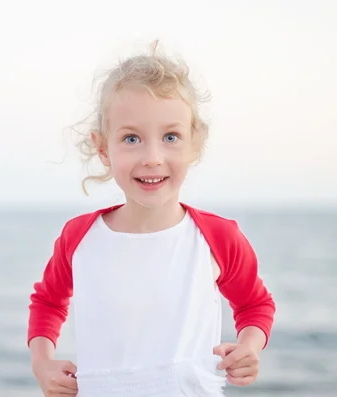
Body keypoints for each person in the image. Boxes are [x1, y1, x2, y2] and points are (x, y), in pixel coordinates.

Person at [27, 40, 276, 397]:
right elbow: (48, 302)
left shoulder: (217, 237)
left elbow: (255, 304)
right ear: (103, 149)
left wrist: (249, 346)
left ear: (193, 144)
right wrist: (42, 363)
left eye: (171, 136)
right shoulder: (80, 238)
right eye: (131, 138)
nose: (153, 157)